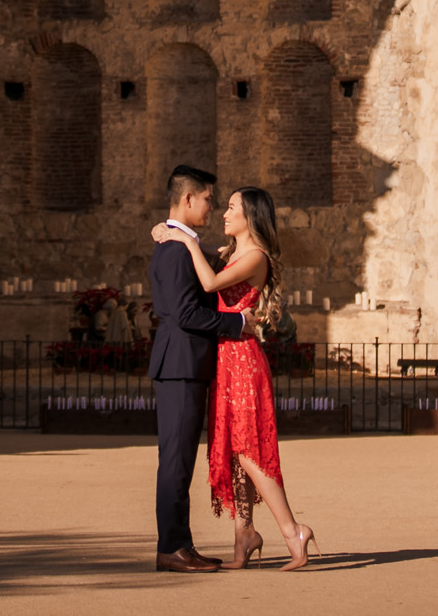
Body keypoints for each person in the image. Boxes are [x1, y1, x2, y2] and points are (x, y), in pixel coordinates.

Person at [152, 185, 319, 571]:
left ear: (250, 217)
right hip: (225, 359)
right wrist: (170, 231)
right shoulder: (232, 253)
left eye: (230, 208)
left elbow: (210, 283)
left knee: (248, 449)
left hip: (243, 361)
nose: (223, 213)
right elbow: (207, 260)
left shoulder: (255, 256)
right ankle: (244, 535)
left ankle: (293, 530)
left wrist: (182, 238)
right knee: (233, 450)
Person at [147, 165, 254, 574]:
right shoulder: (175, 249)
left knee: (181, 460)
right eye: (208, 198)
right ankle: (171, 547)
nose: (212, 205)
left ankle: (181, 544)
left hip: (185, 363)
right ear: (188, 199)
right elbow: (188, 313)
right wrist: (238, 324)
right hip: (180, 364)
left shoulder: (181, 243)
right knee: (175, 461)